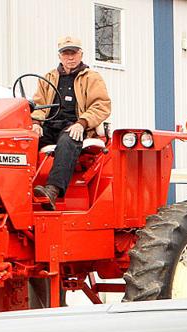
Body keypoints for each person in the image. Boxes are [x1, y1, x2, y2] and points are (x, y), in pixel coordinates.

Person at [31, 36, 111, 210]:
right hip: (50, 125)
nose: (70, 57)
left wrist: (82, 123)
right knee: (25, 140)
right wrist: (36, 122)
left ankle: (52, 190)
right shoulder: (48, 78)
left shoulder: (91, 78)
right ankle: (22, 189)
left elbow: (101, 105)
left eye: (73, 53)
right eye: (66, 53)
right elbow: (39, 104)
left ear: (81, 54)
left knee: (68, 139)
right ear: (60, 56)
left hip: (75, 125)